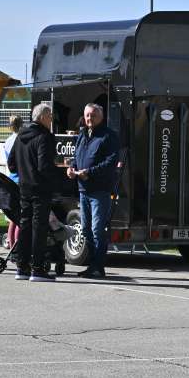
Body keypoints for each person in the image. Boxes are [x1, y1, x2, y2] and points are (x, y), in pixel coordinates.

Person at [67, 103, 120, 278]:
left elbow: (110, 162)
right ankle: (92, 265)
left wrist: (89, 172)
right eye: (88, 115)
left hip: (100, 191)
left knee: (97, 229)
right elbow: (76, 157)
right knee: (86, 228)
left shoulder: (108, 136)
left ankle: (98, 266)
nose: (90, 119)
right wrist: (72, 168)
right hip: (83, 189)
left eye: (93, 115)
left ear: (101, 116)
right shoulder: (82, 134)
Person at [7, 103, 57, 282]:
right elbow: (44, 166)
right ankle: (37, 268)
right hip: (40, 188)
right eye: (50, 116)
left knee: (25, 225)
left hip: (24, 187)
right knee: (39, 227)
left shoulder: (21, 135)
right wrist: (56, 174)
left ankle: (22, 266)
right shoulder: (44, 137)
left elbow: (11, 164)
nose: (51, 119)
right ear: (43, 117)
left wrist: (24, 171)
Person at [3, 114, 23, 248]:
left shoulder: (7, 141)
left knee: (13, 217)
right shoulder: (21, 140)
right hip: (21, 179)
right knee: (22, 216)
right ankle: (18, 244)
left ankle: (10, 242)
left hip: (10, 177)